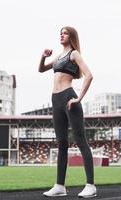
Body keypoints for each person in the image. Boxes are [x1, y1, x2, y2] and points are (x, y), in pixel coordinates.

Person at [39, 26, 97, 198]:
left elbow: (89, 75)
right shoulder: (58, 57)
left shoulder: (74, 54)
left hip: (69, 98)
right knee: (61, 143)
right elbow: (41, 70)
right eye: (60, 33)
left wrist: (78, 98)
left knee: (80, 141)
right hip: (55, 100)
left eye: (64, 33)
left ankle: (91, 186)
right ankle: (59, 186)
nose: (61, 35)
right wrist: (43, 57)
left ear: (71, 36)